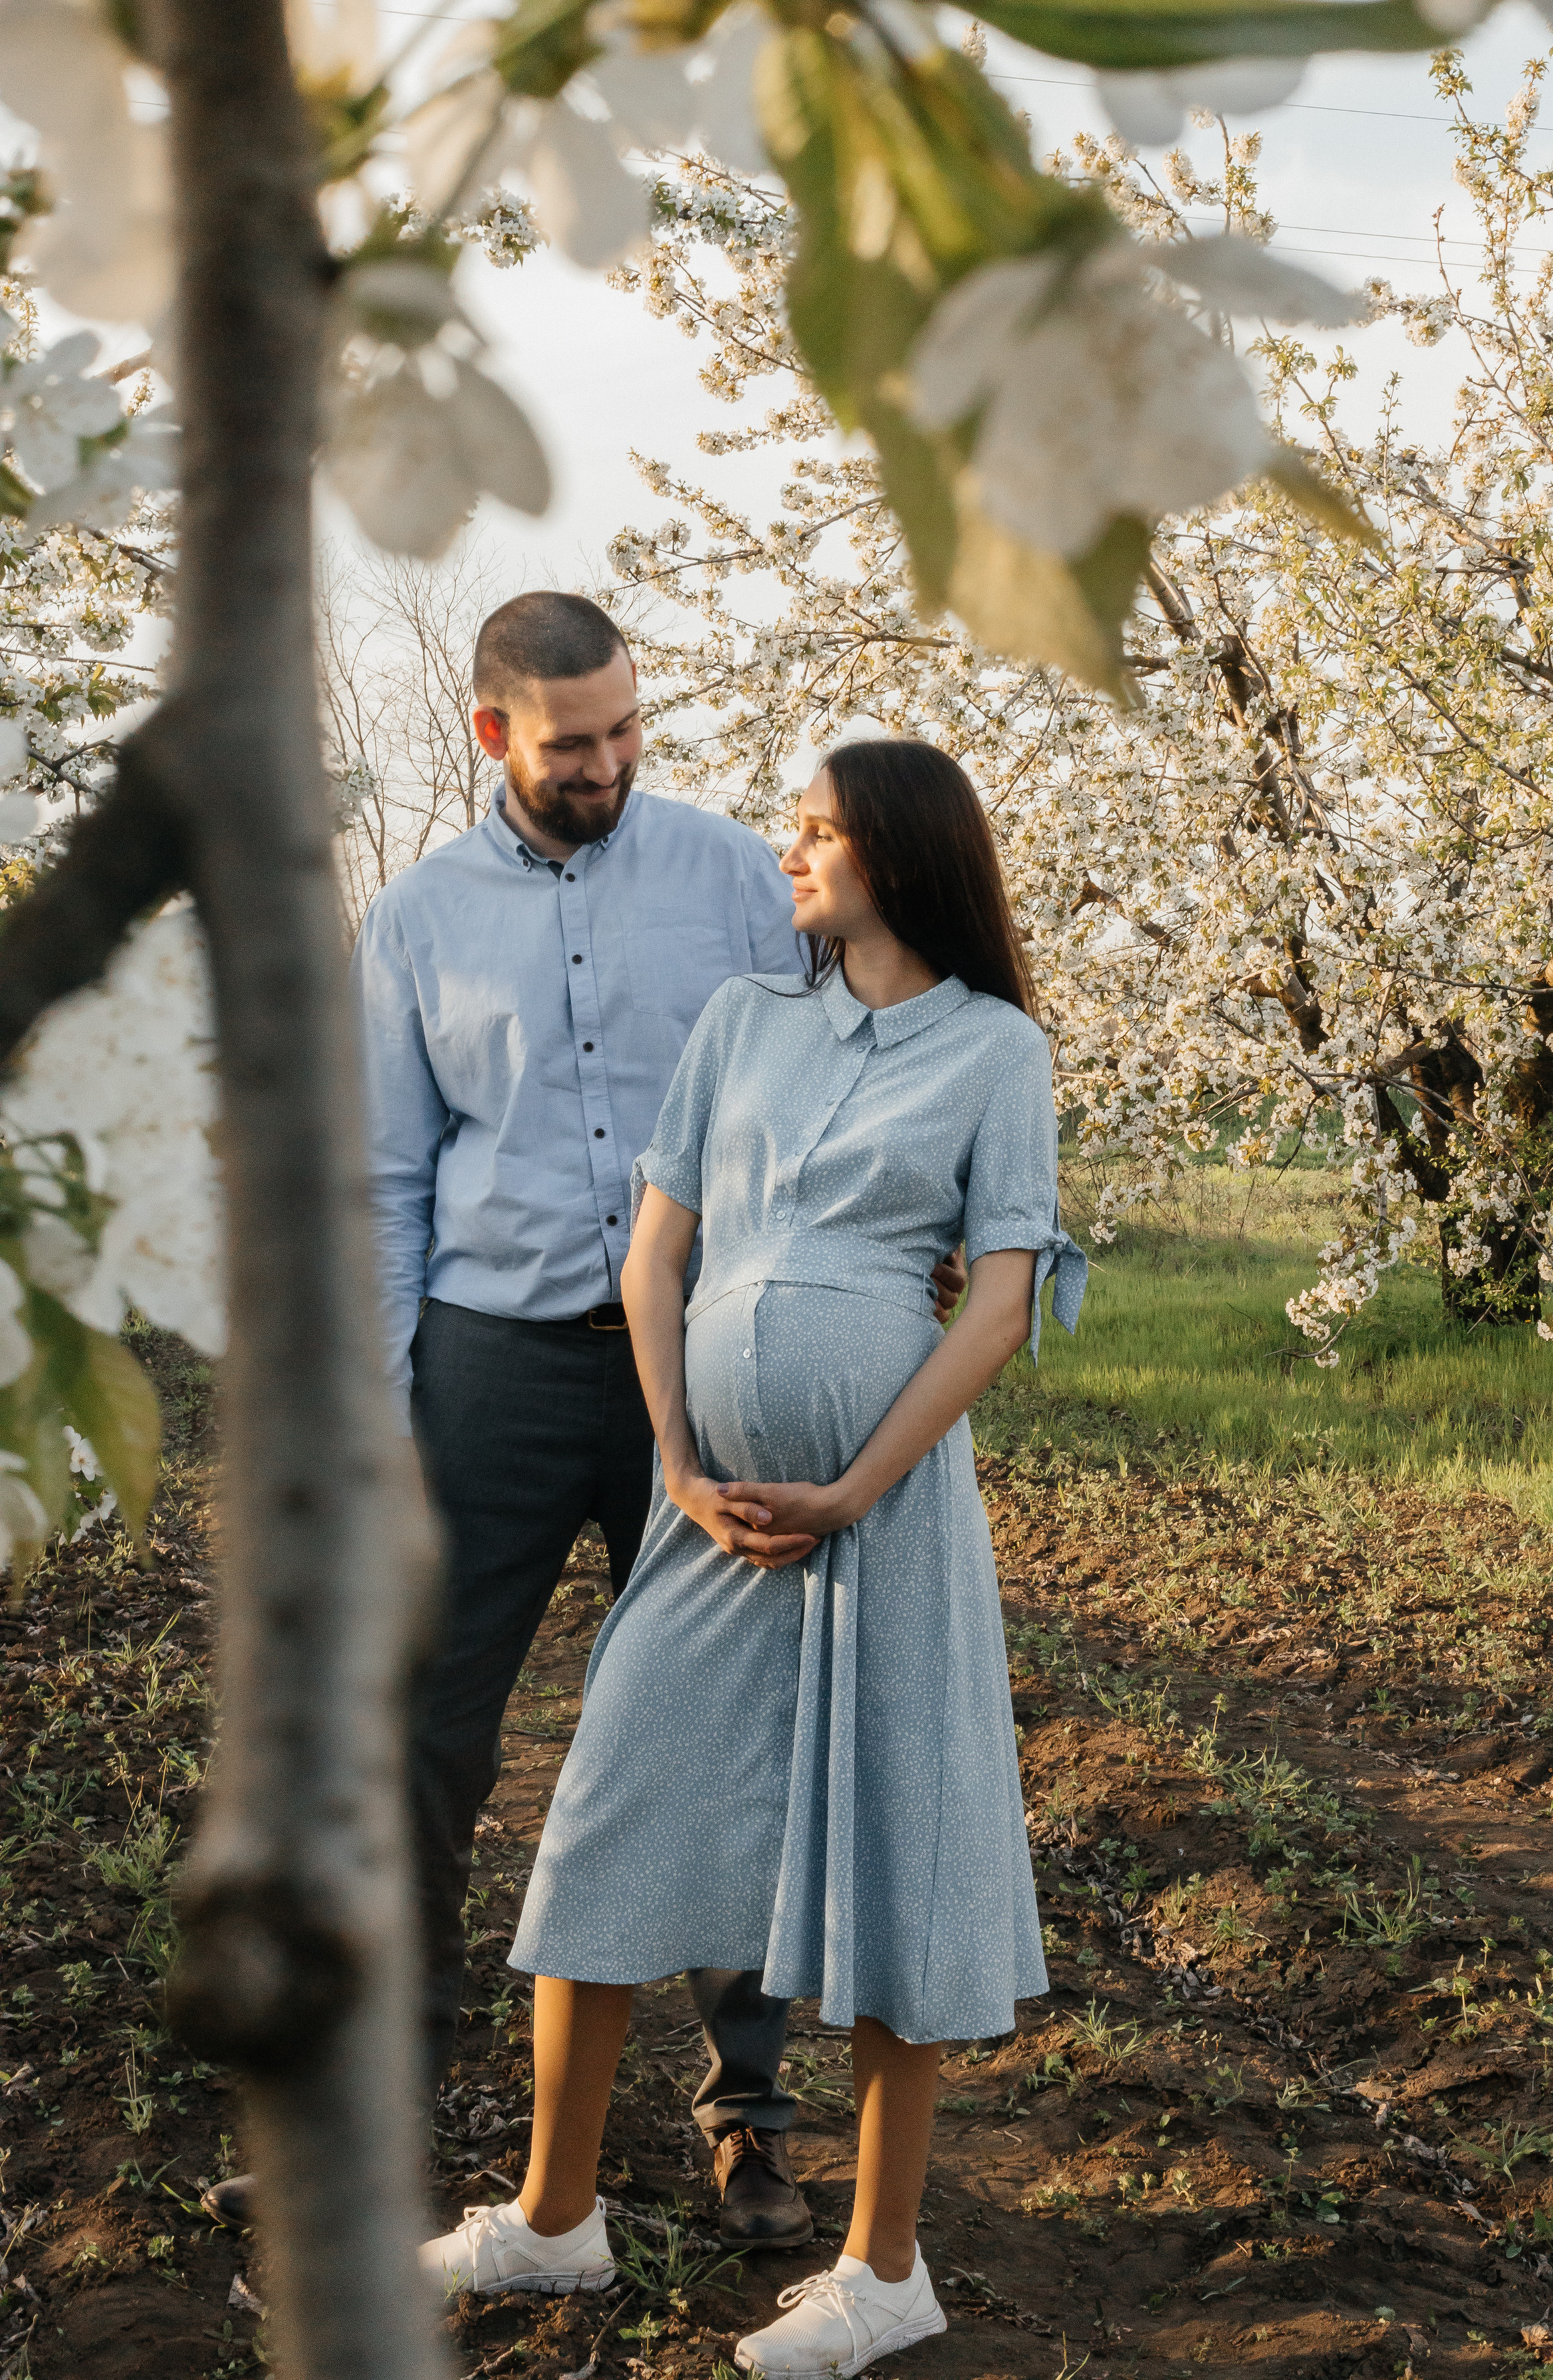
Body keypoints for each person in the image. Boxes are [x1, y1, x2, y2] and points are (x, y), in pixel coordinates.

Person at [205, 595, 958, 2246]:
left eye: (626, 729)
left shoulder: (737, 879)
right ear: (492, 735)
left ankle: (748, 2116)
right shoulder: (416, 922)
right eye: (571, 743)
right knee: (419, 1739)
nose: (608, 763)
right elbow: (386, 1177)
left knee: (740, 1728)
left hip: (712, 1353)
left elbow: (856, 1063)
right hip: (493, 1365)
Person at [422, 736, 1087, 2375]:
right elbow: (655, 1260)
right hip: (705, 1511)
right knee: (602, 1817)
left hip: (886, 1521)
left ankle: (883, 2271)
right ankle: (554, 2220)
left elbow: (999, 1301)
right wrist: (678, 1460)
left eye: (816, 832)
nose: (787, 854)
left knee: (890, 1855)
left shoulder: (994, 1051)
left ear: (896, 855)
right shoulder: (739, 1022)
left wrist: (854, 1485)